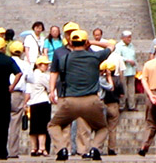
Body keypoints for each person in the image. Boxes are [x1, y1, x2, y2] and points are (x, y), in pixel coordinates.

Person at [48, 29, 112, 161]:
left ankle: (62, 149)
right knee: (102, 127)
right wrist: (92, 42)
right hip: (92, 100)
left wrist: (51, 90)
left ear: (70, 42)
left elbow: (54, 73)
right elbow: (111, 45)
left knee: (54, 125)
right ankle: (95, 148)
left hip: (70, 100)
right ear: (86, 42)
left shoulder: (63, 58)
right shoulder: (95, 57)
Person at [7, 40, 31, 158]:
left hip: (5, 92)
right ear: (21, 52)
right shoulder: (25, 64)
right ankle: (13, 151)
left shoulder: (6, 61)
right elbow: (31, 79)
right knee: (15, 123)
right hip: (18, 93)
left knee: (1, 122)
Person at [25, 55, 52, 156]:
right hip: (43, 102)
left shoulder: (31, 75)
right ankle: (42, 148)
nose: (47, 67)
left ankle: (33, 148)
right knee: (42, 127)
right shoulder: (41, 76)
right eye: (45, 65)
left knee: (33, 127)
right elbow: (49, 88)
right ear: (39, 65)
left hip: (33, 103)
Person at [100, 61, 124, 156]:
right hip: (114, 105)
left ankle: (99, 147)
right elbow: (122, 94)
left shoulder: (102, 79)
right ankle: (111, 149)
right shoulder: (118, 81)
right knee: (112, 128)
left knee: (101, 128)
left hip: (103, 103)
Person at [115, 30, 138, 110]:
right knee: (123, 88)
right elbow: (117, 56)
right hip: (123, 70)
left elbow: (134, 56)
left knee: (131, 89)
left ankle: (132, 105)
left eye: (130, 37)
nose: (129, 39)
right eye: (128, 37)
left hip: (131, 70)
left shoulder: (131, 45)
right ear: (123, 38)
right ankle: (122, 105)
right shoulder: (118, 46)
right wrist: (127, 60)